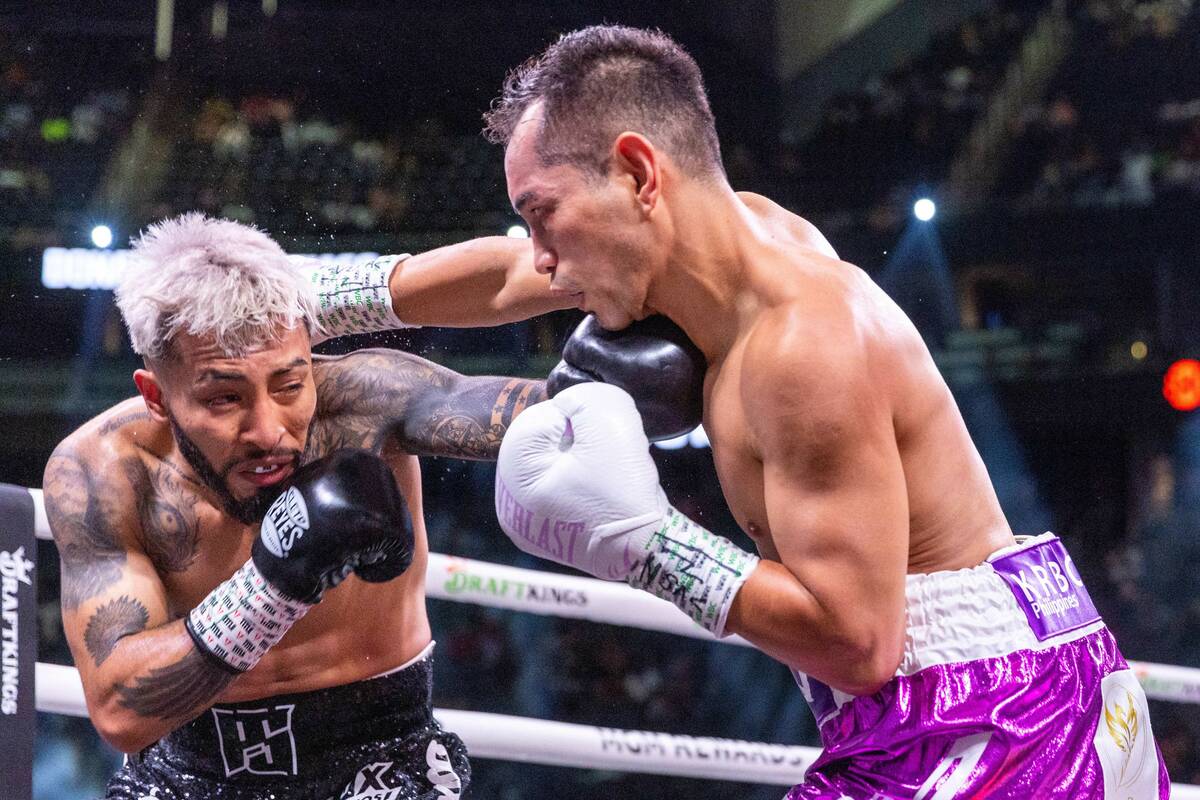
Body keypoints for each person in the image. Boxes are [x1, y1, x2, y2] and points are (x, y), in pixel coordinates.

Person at [484, 25, 1169, 798]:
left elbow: (858, 646)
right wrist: (342, 298)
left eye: (541, 214)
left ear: (640, 173)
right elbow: (503, 276)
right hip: (1015, 683)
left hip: (993, 722)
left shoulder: (802, 347)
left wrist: (646, 543)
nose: (537, 254)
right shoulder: (746, 234)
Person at [41, 213, 571, 799]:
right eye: (224, 398)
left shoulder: (363, 402)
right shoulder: (105, 471)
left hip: (381, 757)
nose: (269, 430)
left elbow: (555, 413)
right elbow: (120, 713)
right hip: (184, 775)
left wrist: (626, 312)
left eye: (290, 385)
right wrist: (275, 583)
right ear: (156, 397)